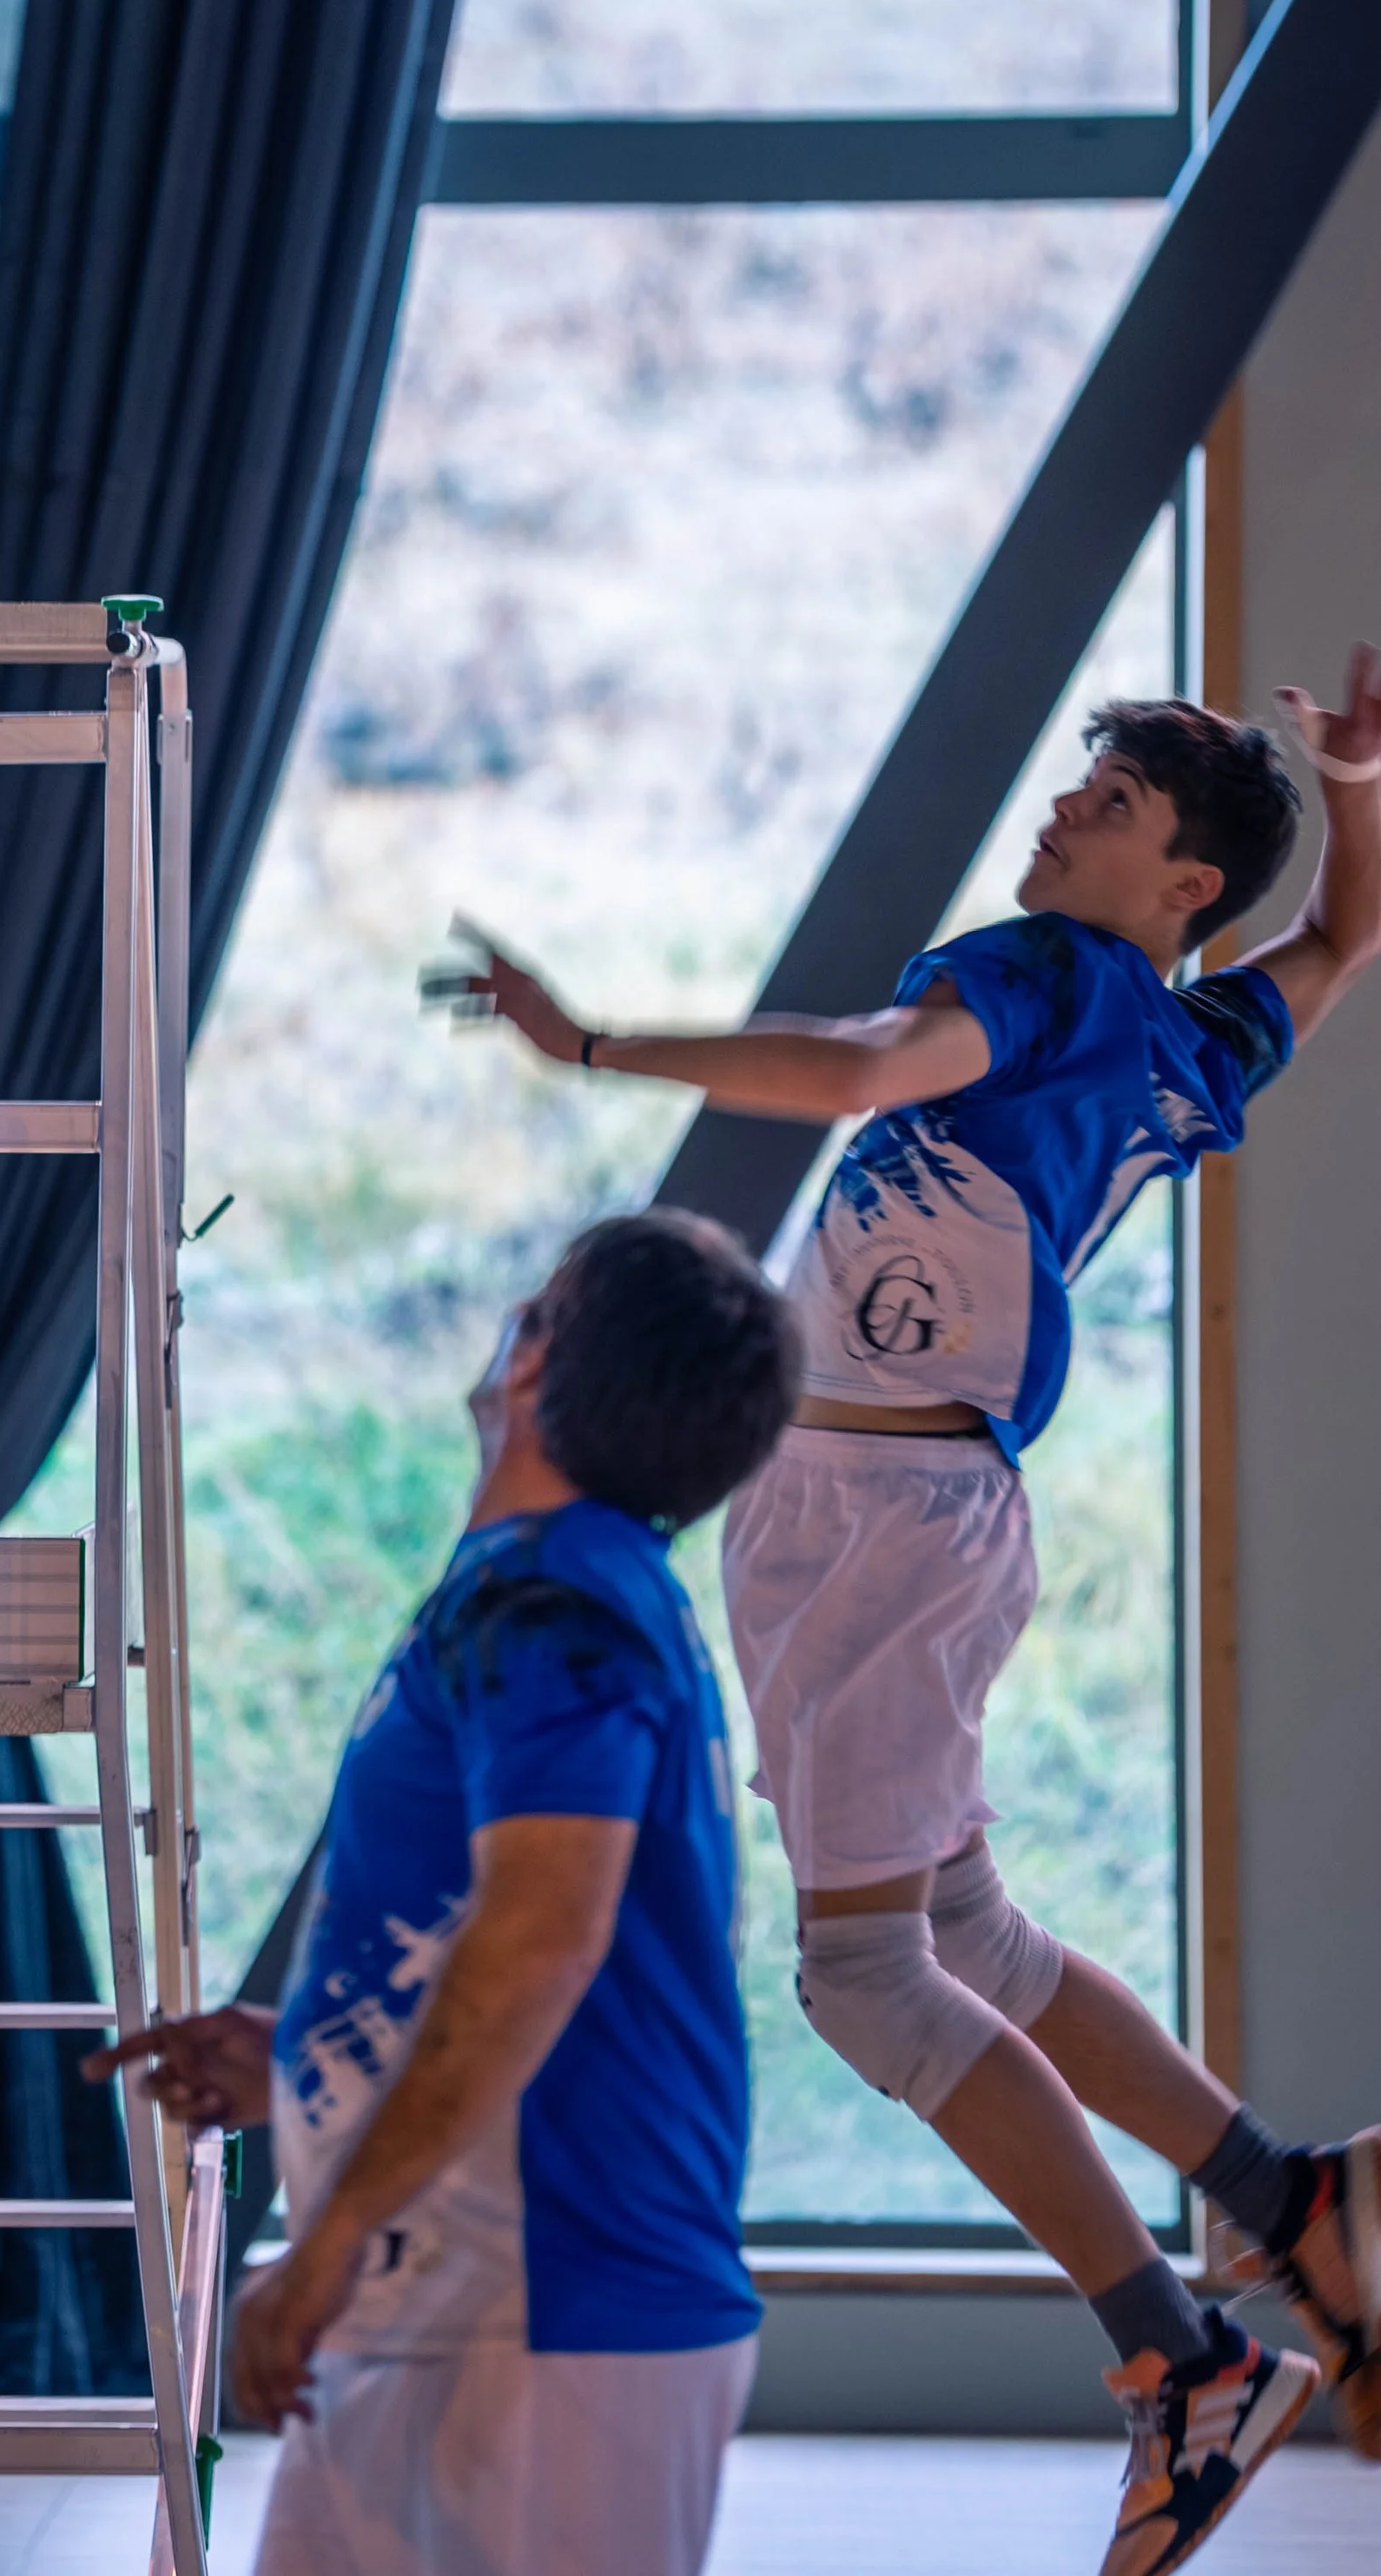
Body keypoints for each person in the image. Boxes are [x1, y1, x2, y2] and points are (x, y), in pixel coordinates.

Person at [439, 653, 1381, 2574]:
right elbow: (1345, 939)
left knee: (863, 1972)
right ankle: (1286, 2197)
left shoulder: (1042, 975)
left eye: (1107, 807)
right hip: (900, 1501)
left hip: (877, 1509)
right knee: (954, 1926)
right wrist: (1356, 789)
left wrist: (591, 1041)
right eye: (1074, 790)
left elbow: (864, 1067)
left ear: (1179, 880)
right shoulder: (1190, 1045)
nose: (1060, 815)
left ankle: (1179, 2354)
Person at [89, 1208, 798, 2576]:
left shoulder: (556, 1604)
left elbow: (541, 1943)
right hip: (456, 2299)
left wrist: (327, 2236)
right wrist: (311, 2060)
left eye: (536, 1298)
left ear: (537, 1361)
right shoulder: (555, 1589)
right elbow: (500, 1937)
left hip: (547, 2309)